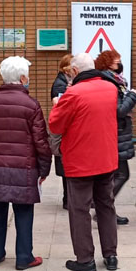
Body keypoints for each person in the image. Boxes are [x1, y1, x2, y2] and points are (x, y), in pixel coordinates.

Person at [0, 56, 50, 270]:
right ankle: (24, 256)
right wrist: (44, 169)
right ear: (23, 77)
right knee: (24, 211)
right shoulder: (31, 104)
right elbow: (41, 141)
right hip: (24, 168)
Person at [48, 52, 120, 271]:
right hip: (106, 157)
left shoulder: (73, 93)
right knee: (106, 205)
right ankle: (111, 256)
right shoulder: (110, 88)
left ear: (75, 71)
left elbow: (55, 125)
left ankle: (85, 259)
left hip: (80, 160)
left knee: (79, 209)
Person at [94, 50, 136, 224]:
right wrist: (133, 97)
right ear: (108, 64)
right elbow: (119, 110)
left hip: (117, 133)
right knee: (121, 174)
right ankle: (102, 210)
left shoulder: (115, 80)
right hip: (116, 133)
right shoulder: (110, 83)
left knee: (115, 175)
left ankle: (104, 209)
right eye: (117, 61)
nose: (120, 64)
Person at [51, 54, 76, 210]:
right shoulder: (61, 84)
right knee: (66, 167)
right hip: (63, 131)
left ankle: (69, 198)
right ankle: (68, 199)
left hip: (65, 129)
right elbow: (60, 106)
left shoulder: (65, 80)